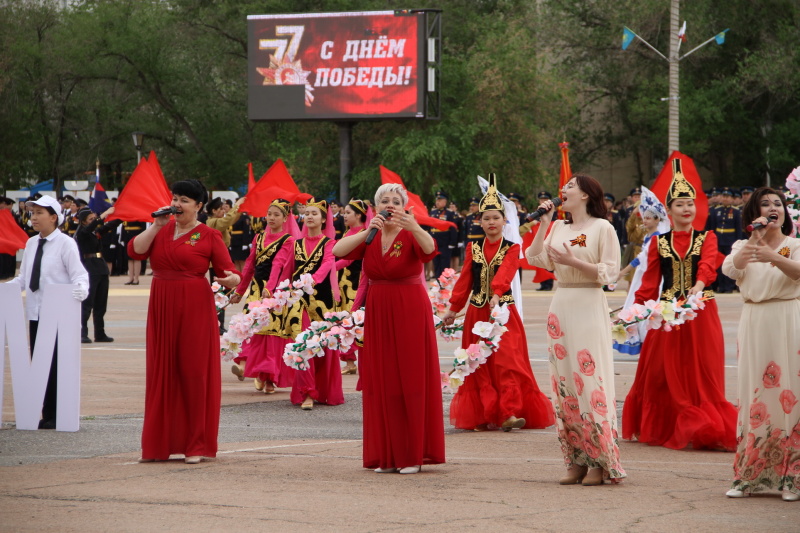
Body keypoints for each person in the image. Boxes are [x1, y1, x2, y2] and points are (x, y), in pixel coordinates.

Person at [622, 160, 737, 451]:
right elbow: (648, 284)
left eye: (690, 204)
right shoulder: (659, 243)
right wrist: (633, 314)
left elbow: (709, 266)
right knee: (663, 370)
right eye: (680, 205)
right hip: (666, 314)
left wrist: (697, 289)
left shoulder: (706, 237)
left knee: (701, 369)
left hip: (700, 311)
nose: (687, 209)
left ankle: (704, 425)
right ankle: (667, 424)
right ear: (669, 211)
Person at [333, 183, 445, 474]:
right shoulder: (370, 236)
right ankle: (386, 454)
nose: (391, 204)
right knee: (383, 380)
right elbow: (337, 249)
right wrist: (366, 229)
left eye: (396, 200)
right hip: (379, 310)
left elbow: (431, 249)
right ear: (376, 206)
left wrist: (416, 225)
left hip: (409, 308)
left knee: (409, 377)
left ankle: (411, 454)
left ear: (405, 206)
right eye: (385, 200)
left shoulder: (411, 233)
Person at [128, 179, 241, 464]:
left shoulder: (208, 235)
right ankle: (158, 445)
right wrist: (155, 225)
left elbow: (230, 271)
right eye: (175, 198)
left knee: (193, 372)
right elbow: (135, 251)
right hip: (162, 304)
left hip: (194, 306)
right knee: (162, 371)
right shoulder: (161, 230)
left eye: (184, 200)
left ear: (199, 206)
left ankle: (196, 445)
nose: (177, 204)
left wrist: (232, 280)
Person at [525, 173, 626, 486]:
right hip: (562, 302)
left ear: (586, 195)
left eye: (570, 186)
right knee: (565, 382)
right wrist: (544, 223)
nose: (564, 190)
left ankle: (600, 460)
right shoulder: (557, 226)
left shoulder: (602, 227)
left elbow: (610, 272)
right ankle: (575, 460)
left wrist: (575, 261)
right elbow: (535, 258)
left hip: (588, 301)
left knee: (589, 379)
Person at [443, 175, 554, 432]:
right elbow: (464, 282)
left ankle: (509, 412)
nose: (492, 222)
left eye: (496, 217)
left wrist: (496, 294)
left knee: (508, 362)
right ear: (478, 222)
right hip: (476, 314)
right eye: (486, 218)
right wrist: (452, 310)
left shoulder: (513, 247)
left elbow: (506, 272)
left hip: (502, 314)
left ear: (505, 221)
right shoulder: (473, 248)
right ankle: (483, 414)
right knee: (479, 363)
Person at [722, 187, 800, 502]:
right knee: (755, 392)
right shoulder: (745, 244)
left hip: (787, 317)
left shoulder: (794, 245)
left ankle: (791, 477)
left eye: (777, 204)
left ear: (785, 212)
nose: (772, 208)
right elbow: (731, 269)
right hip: (754, 320)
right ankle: (750, 476)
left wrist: (772, 257)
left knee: (790, 393)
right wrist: (756, 240)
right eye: (764, 204)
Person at [6, 195, 89, 429]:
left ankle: (57, 414)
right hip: (35, 312)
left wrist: (81, 289)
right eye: (32, 213)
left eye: (39, 213)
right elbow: (24, 278)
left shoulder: (66, 243)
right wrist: (8, 287)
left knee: (56, 365)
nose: (33, 217)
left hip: (58, 314)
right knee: (40, 364)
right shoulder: (32, 243)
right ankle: (45, 412)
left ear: (54, 217)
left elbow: (79, 275)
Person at [229, 198, 299, 393]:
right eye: (269, 214)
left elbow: (278, 264)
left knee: (271, 334)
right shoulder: (258, 237)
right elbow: (250, 265)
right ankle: (248, 368)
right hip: (256, 290)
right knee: (249, 328)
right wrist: (239, 291)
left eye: (276, 215)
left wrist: (270, 291)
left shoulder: (288, 240)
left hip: (275, 294)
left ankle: (269, 378)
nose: (271, 218)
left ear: (285, 218)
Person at [285, 199, 344, 410]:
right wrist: (279, 291)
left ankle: (324, 391)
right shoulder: (296, 244)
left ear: (323, 218)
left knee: (322, 347)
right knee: (303, 343)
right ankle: (307, 392)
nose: (309, 216)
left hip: (322, 301)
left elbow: (328, 264)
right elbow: (288, 269)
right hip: (300, 302)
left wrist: (312, 280)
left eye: (314, 213)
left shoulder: (330, 243)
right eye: (306, 213)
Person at [612, 186, 670, 356]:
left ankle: (650, 342)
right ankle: (643, 342)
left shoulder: (657, 238)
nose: (645, 221)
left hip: (651, 277)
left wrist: (623, 272)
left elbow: (641, 259)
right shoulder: (648, 236)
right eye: (644, 217)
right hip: (642, 274)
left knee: (645, 309)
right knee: (636, 306)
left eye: (649, 218)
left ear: (657, 219)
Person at [74, 206, 121, 343]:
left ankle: (100, 333)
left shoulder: (94, 232)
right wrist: (104, 214)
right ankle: (82, 333)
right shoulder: (82, 232)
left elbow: (108, 226)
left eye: (94, 218)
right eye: (91, 219)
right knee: (87, 304)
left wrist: (122, 215)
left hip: (100, 267)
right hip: (89, 268)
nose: (94, 220)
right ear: (83, 221)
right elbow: (91, 228)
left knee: (101, 304)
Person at [336, 199, 369, 375]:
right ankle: (349, 362)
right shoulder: (348, 233)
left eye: (348, 213)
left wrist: (330, 267)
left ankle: (355, 361)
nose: (344, 215)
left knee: (353, 323)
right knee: (344, 323)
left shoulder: (365, 234)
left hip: (356, 285)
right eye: (344, 212)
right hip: (343, 284)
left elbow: (349, 259)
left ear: (358, 215)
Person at [205, 196, 245, 334]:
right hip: (216, 263)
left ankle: (219, 324)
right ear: (214, 211)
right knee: (218, 294)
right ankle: (217, 324)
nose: (223, 211)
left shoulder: (215, 221)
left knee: (222, 294)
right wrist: (238, 206)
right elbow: (228, 220)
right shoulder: (213, 222)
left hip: (221, 260)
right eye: (221, 209)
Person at [705, 186, 743, 293]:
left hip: (730, 240)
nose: (725, 199)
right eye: (724, 196)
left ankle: (729, 286)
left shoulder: (735, 212)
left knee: (729, 264)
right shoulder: (716, 211)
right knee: (719, 265)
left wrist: (738, 242)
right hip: (718, 241)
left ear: (731, 199)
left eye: (728, 197)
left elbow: (738, 229)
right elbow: (712, 227)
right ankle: (721, 286)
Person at [428, 190, 458, 279]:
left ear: (445, 202)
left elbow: (453, 228)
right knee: (436, 262)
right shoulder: (432, 213)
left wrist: (452, 242)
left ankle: (445, 282)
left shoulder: (449, 213)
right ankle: (437, 281)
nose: (437, 202)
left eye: (440, 200)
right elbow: (430, 227)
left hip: (445, 241)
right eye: (437, 200)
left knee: (444, 263)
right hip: (434, 241)